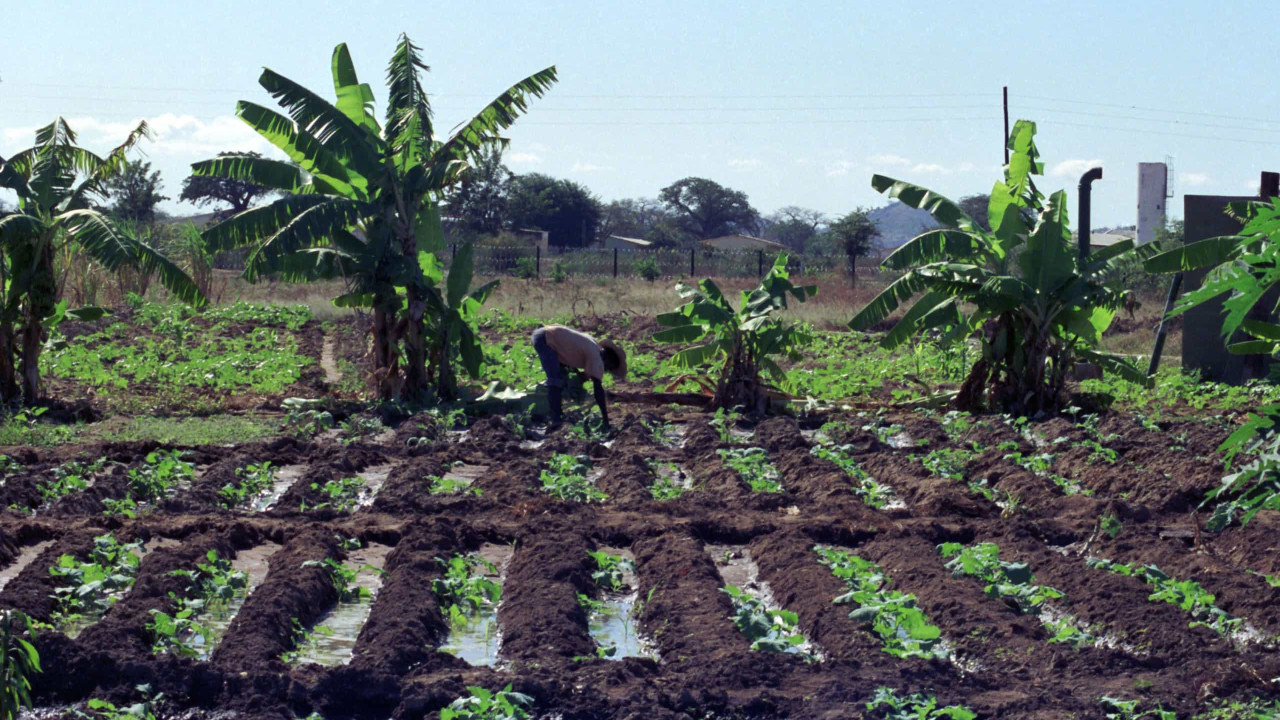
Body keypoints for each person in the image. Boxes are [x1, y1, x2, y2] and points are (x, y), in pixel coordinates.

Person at [531, 325, 627, 428]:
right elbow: (598, 389)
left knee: (560, 380)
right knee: (555, 380)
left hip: (545, 334)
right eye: (609, 368)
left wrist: (578, 379)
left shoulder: (594, 345)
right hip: (545, 339)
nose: (606, 370)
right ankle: (556, 420)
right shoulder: (596, 357)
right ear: (608, 361)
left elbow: (571, 355)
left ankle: (554, 414)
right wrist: (605, 420)